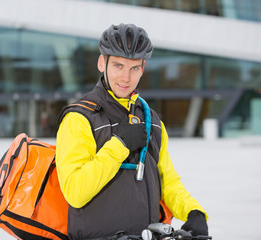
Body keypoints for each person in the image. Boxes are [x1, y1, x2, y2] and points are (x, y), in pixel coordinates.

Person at [56, 23, 208, 240]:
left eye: (134, 68)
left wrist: (194, 211)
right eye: (118, 66)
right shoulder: (79, 119)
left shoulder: (152, 121)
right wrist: (120, 145)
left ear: (143, 68)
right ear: (102, 62)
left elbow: (169, 182)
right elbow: (75, 191)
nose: (126, 77)